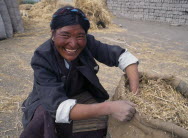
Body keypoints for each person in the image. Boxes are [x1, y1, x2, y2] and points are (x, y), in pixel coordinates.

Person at [20, 6, 139, 138]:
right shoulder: (42, 57)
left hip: (78, 94)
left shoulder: (87, 43)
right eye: (65, 35)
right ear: (53, 34)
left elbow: (124, 58)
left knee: (99, 126)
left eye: (80, 36)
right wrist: (110, 108)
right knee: (44, 121)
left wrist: (134, 95)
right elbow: (59, 108)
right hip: (49, 100)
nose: (73, 44)